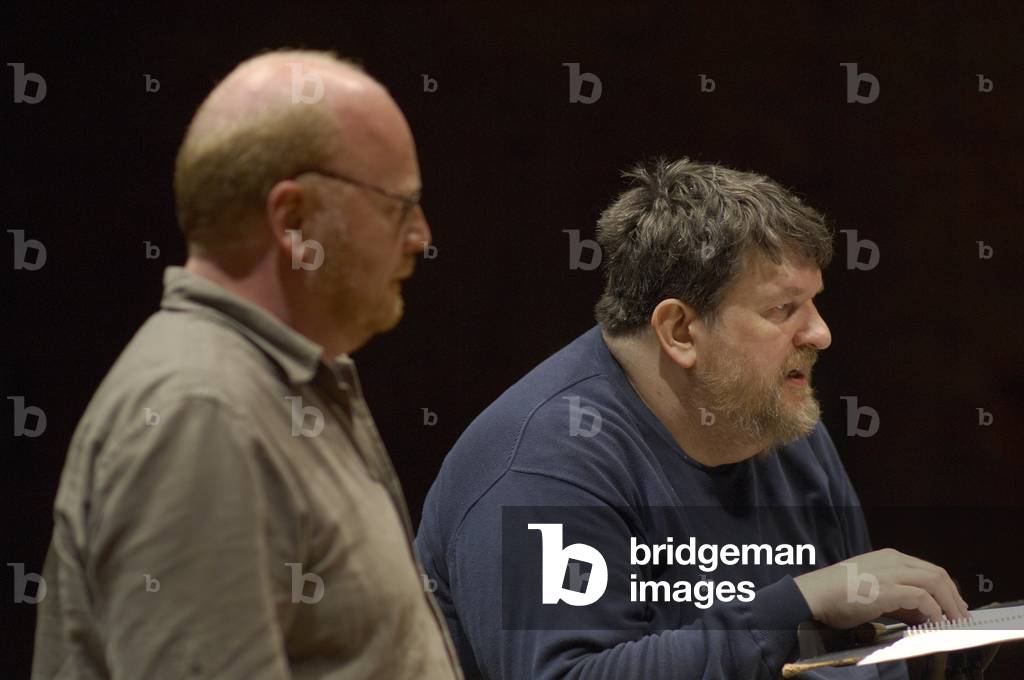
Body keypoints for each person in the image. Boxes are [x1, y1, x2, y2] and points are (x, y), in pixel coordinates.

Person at [415, 158, 968, 679]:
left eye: (815, 303)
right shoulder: (543, 464)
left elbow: (859, 654)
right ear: (680, 331)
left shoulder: (779, 422)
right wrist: (797, 605)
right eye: (782, 309)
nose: (820, 334)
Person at [32, 50, 461, 679]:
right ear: (293, 220)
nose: (421, 235)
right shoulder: (201, 413)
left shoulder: (273, 386)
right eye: (398, 205)